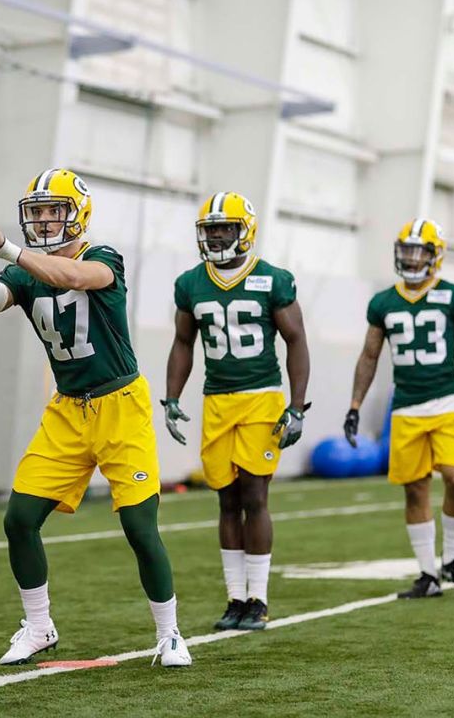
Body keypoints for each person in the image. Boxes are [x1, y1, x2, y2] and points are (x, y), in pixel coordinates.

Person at [0, 168, 192, 666]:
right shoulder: (23, 271)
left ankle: (169, 634)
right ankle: (39, 626)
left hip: (121, 405)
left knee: (141, 528)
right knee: (19, 520)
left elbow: (73, 277)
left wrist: (10, 251)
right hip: (68, 411)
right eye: (34, 212)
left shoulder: (102, 257)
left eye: (51, 211)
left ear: (78, 214)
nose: (41, 220)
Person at [160, 192, 310, 631]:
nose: (218, 235)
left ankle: (258, 600)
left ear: (245, 230)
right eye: (211, 229)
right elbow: (183, 342)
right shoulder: (191, 283)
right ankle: (235, 599)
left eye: (225, 227)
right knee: (225, 498)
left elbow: (296, 341)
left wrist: (296, 406)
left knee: (254, 496)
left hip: (262, 397)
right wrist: (172, 397)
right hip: (217, 400)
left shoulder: (273, 278)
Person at [345, 219, 454, 599]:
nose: (410, 258)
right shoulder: (383, 302)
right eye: (405, 250)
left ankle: (453, 559)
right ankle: (428, 574)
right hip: (406, 406)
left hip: (448, 401)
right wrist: (355, 405)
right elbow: (370, 355)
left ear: (435, 255)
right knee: (414, 489)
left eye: (418, 251)